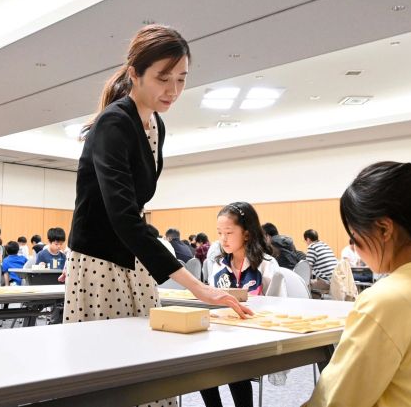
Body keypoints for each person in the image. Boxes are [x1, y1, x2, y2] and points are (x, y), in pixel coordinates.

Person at [65, 23, 250, 385]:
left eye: (181, 79)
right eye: (163, 78)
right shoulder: (114, 123)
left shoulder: (154, 125)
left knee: (146, 364)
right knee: (111, 370)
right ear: (135, 73)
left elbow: (131, 210)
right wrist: (197, 287)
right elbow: (121, 216)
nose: (174, 90)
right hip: (100, 263)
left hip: (130, 257)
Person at [304, 161, 411, 406]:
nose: (356, 248)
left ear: (384, 229)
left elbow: (336, 400)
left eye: (355, 237)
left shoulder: (386, 301)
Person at [202, 202, 281, 407]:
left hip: (255, 337)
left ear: (246, 234)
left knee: (232, 365)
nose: (223, 239)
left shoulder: (266, 265)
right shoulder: (219, 265)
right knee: (198, 364)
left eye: (228, 232)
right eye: (219, 233)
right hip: (224, 334)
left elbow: (279, 308)